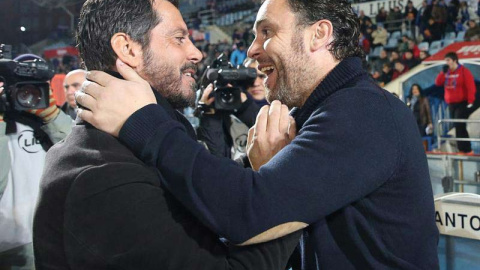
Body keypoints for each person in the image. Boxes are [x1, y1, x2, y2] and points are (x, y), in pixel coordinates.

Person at [78, 0, 440, 268]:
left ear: (319, 34)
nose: (251, 50)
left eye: (266, 32)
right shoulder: (317, 112)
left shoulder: (364, 113)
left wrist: (144, 123)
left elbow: (248, 213)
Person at [33, 1, 300, 269]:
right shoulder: (100, 176)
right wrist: (282, 187)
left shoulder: (130, 147)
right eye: (179, 39)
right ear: (128, 49)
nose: (195, 53)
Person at [0, 55, 73, 269]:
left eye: (36, 87)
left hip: (57, 236)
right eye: (21, 88)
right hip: (11, 243)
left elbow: (79, 156)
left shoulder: (52, 121)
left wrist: (52, 115)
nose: (28, 94)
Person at [196, 58, 267, 160]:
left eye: (262, 76)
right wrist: (210, 114)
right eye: (251, 78)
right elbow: (217, 158)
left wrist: (246, 106)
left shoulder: (285, 110)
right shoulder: (225, 108)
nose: (255, 83)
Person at [435, 51, 476, 153]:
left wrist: (471, 101)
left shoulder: (463, 71)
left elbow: (470, 86)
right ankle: (462, 148)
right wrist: (442, 73)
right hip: (451, 103)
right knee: (457, 125)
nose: (446, 63)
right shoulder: (446, 72)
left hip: (462, 102)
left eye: (448, 60)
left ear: (454, 61)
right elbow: (437, 82)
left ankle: (466, 149)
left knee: (459, 124)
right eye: (446, 61)